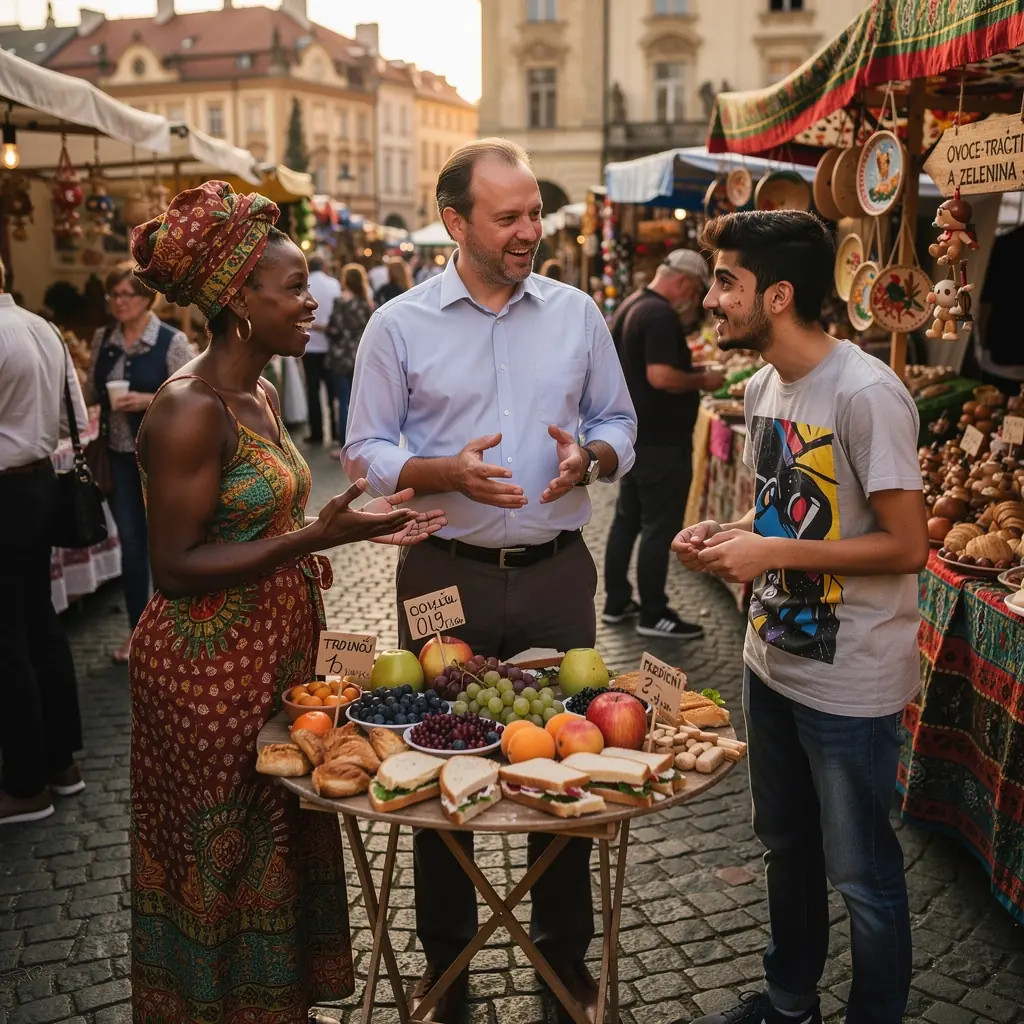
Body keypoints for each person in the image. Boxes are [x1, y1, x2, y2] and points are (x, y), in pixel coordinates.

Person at [127, 180, 445, 1023]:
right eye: (295, 289)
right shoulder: (188, 410)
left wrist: (354, 526)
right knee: (222, 855)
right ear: (239, 301)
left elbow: (261, 515)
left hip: (275, 659)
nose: (313, 303)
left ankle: (279, 1005)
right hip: (204, 676)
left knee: (283, 836)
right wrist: (313, 541)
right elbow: (177, 568)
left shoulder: (262, 394)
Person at [344, 137, 636, 1021]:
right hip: (443, 579)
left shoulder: (579, 312)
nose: (529, 231)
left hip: (555, 576)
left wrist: (587, 457)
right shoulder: (399, 324)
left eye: (534, 213)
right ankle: (448, 967)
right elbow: (363, 451)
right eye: (507, 217)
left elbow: (620, 420)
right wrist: (442, 474)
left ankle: (564, 960)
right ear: (454, 222)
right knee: (440, 772)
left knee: (573, 765)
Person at [673, 211, 926, 1024]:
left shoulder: (866, 394)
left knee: (862, 874)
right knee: (786, 847)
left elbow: (907, 544)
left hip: (850, 677)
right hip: (770, 658)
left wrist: (769, 555)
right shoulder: (759, 386)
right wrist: (730, 534)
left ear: (777, 295)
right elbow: (788, 513)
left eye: (726, 282)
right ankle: (789, 1004)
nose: (713, 299)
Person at [0, 256, 88, 825]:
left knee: (7, 635)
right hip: (38, 481)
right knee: (39, 621)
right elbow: (71, 417)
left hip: (5, 487)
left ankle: (27, 783)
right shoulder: (43, 327)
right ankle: (62, 764)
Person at [603, 249, 725, 639]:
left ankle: (617, 601)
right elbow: (660, 376)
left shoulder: (632, 304)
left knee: (628, 521)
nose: (696, 299)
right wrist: (701, 380)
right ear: (684, 282)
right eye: (695, 289)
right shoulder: (658, 314)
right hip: (660, 443)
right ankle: (653, 613)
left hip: (637, 438)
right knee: (658, 528)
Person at [89, 265, 193, 663]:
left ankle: (177, 634)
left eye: (126, 294)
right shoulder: (104, 338)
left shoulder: (171, 341)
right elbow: (90, 388)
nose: (119, 301)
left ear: (146, 298)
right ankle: (138, 634)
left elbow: (190, 398)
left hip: (163, 461)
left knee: (169, 545)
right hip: (117, 454)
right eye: (113, 295)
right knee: (131, 544)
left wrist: (148, 400)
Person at [325, 262, 374, 454]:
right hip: (359, 356)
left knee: (343, 400)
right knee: (357, 401)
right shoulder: (366, 304)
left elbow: (334, 329)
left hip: (340, 356)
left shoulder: (340, 302)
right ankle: (358, 444)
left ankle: (345, 445)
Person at [301, 254, 342, 447]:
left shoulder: (303, 285)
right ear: (324, 266)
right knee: (333, 391)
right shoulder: (333, 284)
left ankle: (317, 432)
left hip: (309, 345)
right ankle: (335, 432)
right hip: (330, 345)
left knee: (313, 390)